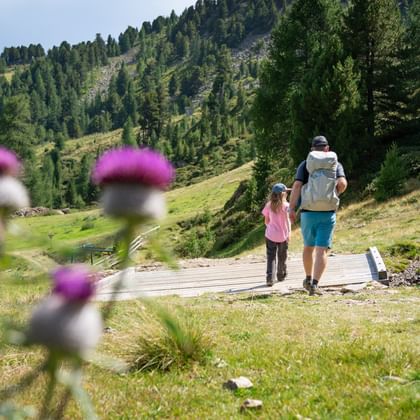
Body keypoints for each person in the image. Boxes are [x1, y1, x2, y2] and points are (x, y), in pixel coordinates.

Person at [288, 136, 347, 295]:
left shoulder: (305, 164)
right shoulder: (335, 164)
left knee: (308, 247)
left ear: (312, 150)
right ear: (327, 148)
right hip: (327, 213)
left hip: (308, 213)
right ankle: (315, 284)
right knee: (322, 250)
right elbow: (342, 184)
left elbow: (297, 185)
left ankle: (307, 278)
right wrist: (335, 193)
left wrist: (291, 208)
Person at [262, 183, 291, 287]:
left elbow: (266, 221)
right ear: (283, 194)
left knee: (271, 257)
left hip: (270, 235)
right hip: (283, 236)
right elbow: (288, 220)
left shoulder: (268, 205)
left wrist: (271, 227)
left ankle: (270, 278)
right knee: (282, 256)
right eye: (286, 192)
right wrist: (288, 233)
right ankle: (281, 275)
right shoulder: (286, 206)